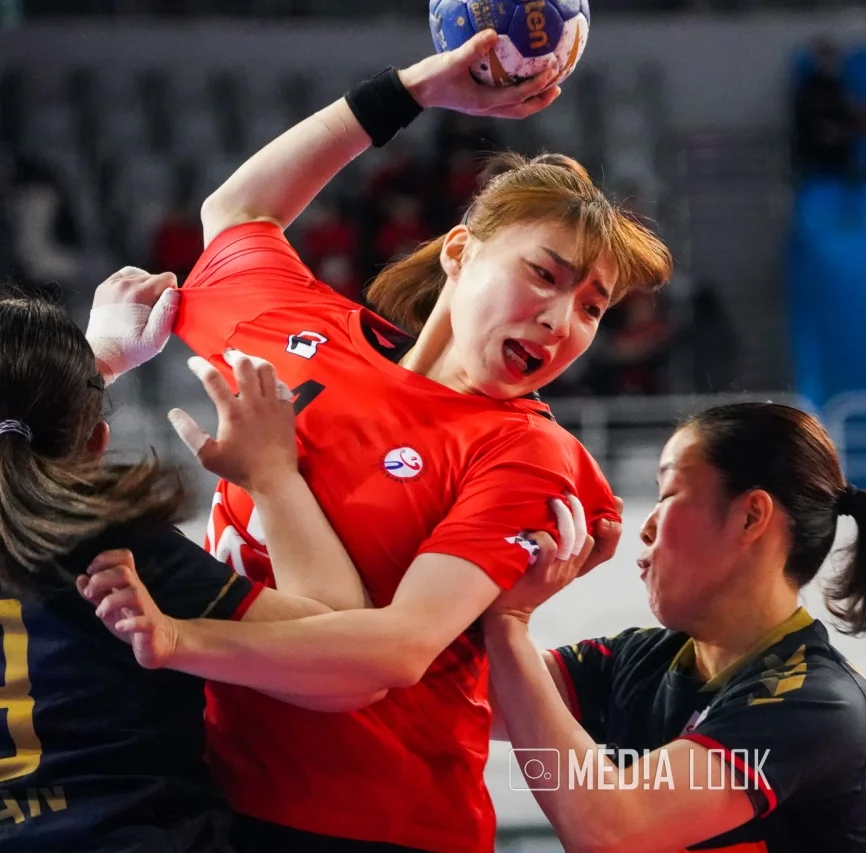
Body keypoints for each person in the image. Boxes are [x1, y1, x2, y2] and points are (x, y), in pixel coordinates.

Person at [117, 28, 672, 853]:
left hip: (381, 827)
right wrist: (415, 90)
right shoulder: (302, 334)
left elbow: (398, 650)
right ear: (461, 251)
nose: (561, 321)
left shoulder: (528, 454)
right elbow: (235, 212)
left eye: (593, 307)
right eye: (544, 274)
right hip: (217, 799)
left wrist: (176, 640)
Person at [0, 276, 377, 853]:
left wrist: (94, 364)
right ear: (98, 440)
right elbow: (348, 656)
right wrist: (272, 477)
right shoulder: (117, 551)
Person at [482, 402, 866, 851]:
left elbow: (612, 830)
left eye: (667, 496)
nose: (646, 527)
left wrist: (509, 621)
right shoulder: (639, 659)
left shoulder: (817, 702)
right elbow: (469, 696)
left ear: (750, 517)